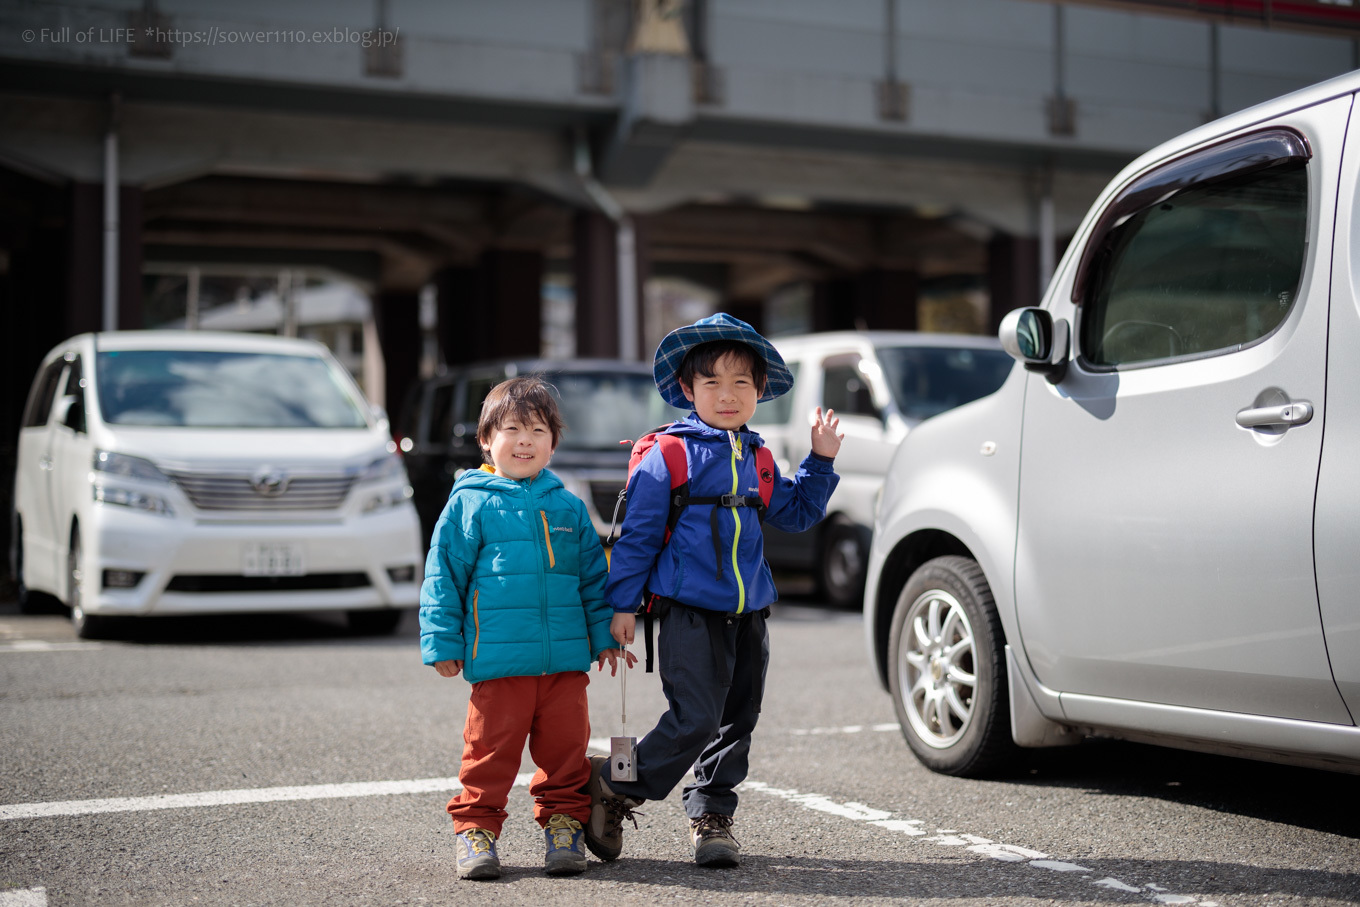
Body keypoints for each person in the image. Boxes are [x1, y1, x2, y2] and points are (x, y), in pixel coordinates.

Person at [582, 312, 842, 868]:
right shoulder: (666, 456)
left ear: (759, 391)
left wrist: (821, 459)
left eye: (741, 383)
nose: (728, 396)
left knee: (738, 719)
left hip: (750, 613)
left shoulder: (760, 458)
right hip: (686, 611)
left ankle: (711, 816)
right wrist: (622, 605)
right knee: (695, 717)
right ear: (686, 389)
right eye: (712, 383)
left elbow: (796, 515)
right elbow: (637, 538)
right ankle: (611, 784)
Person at [420, 375, 630, 881]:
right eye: (511, 428)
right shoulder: (469, 502)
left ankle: (564, 825)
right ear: (487, 440)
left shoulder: (568, 507)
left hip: (562, 665)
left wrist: (603, 636)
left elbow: (591, 581)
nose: (524, 440)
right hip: (498, 662)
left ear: (553, 443)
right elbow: (442, 574)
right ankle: (476, 831)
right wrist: (442, 641)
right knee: (489, 754)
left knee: (566, 756)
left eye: (537, 430)